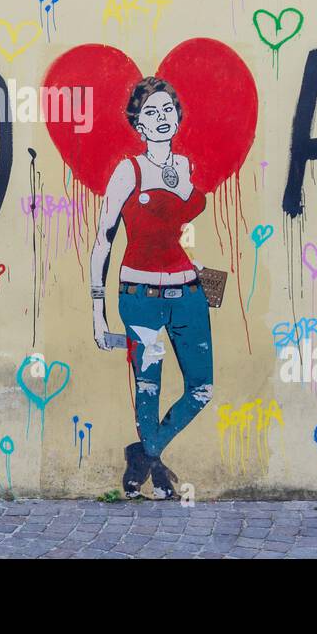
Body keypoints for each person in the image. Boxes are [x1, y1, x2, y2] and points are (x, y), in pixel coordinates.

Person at [90, 77, 213, 499]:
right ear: (137, 125)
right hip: (139, 296)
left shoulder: (186, 166)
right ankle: (153, 465)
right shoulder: (129, 171)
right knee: (149, 386)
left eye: (166, 111)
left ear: (177, 118)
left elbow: (182, 223)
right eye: (150, 113)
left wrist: (180, 183)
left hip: (189, 293)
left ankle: (143, 455)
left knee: (202, 388)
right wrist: (97, 309)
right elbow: (104, 238)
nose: (160, 119)